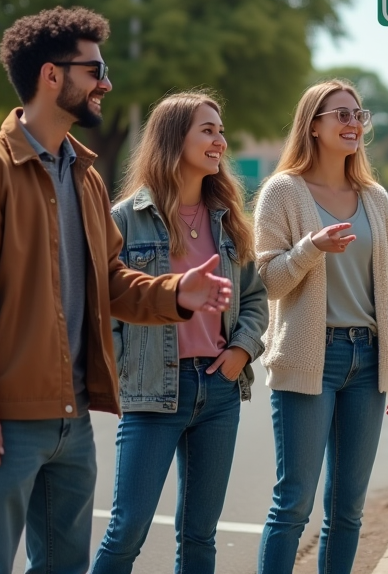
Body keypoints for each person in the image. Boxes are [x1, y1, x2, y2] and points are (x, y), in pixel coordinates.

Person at [0, 7, 233, 574]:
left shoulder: (86, 176)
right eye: (94, 69)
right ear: (52, 75)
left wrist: (176, 293)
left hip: (73, 418)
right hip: (5, 418)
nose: (106, 82)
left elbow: (112, 280)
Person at [91, 92, 268, 573]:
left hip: (219, 391)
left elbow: (253, 298)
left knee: (199, 537)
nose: (220, 141)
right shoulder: (124, 219)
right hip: (151, 396)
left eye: (220, 130)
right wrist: (127, 370)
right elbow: (105, 303)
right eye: (207, 130)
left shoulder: (229, 220)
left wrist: (241, 351)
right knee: (126, 531)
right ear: (173, 139)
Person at [253, 80, 388, 574]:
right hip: (309, 357)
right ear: (313, 126)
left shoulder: (375, 197)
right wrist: (311, 248)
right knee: (294, 503)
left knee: (348, 508)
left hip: (368, 360)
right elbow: (267, 281)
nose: (352, 124)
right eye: (340, 114)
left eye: (358, 115)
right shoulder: (283, 191)